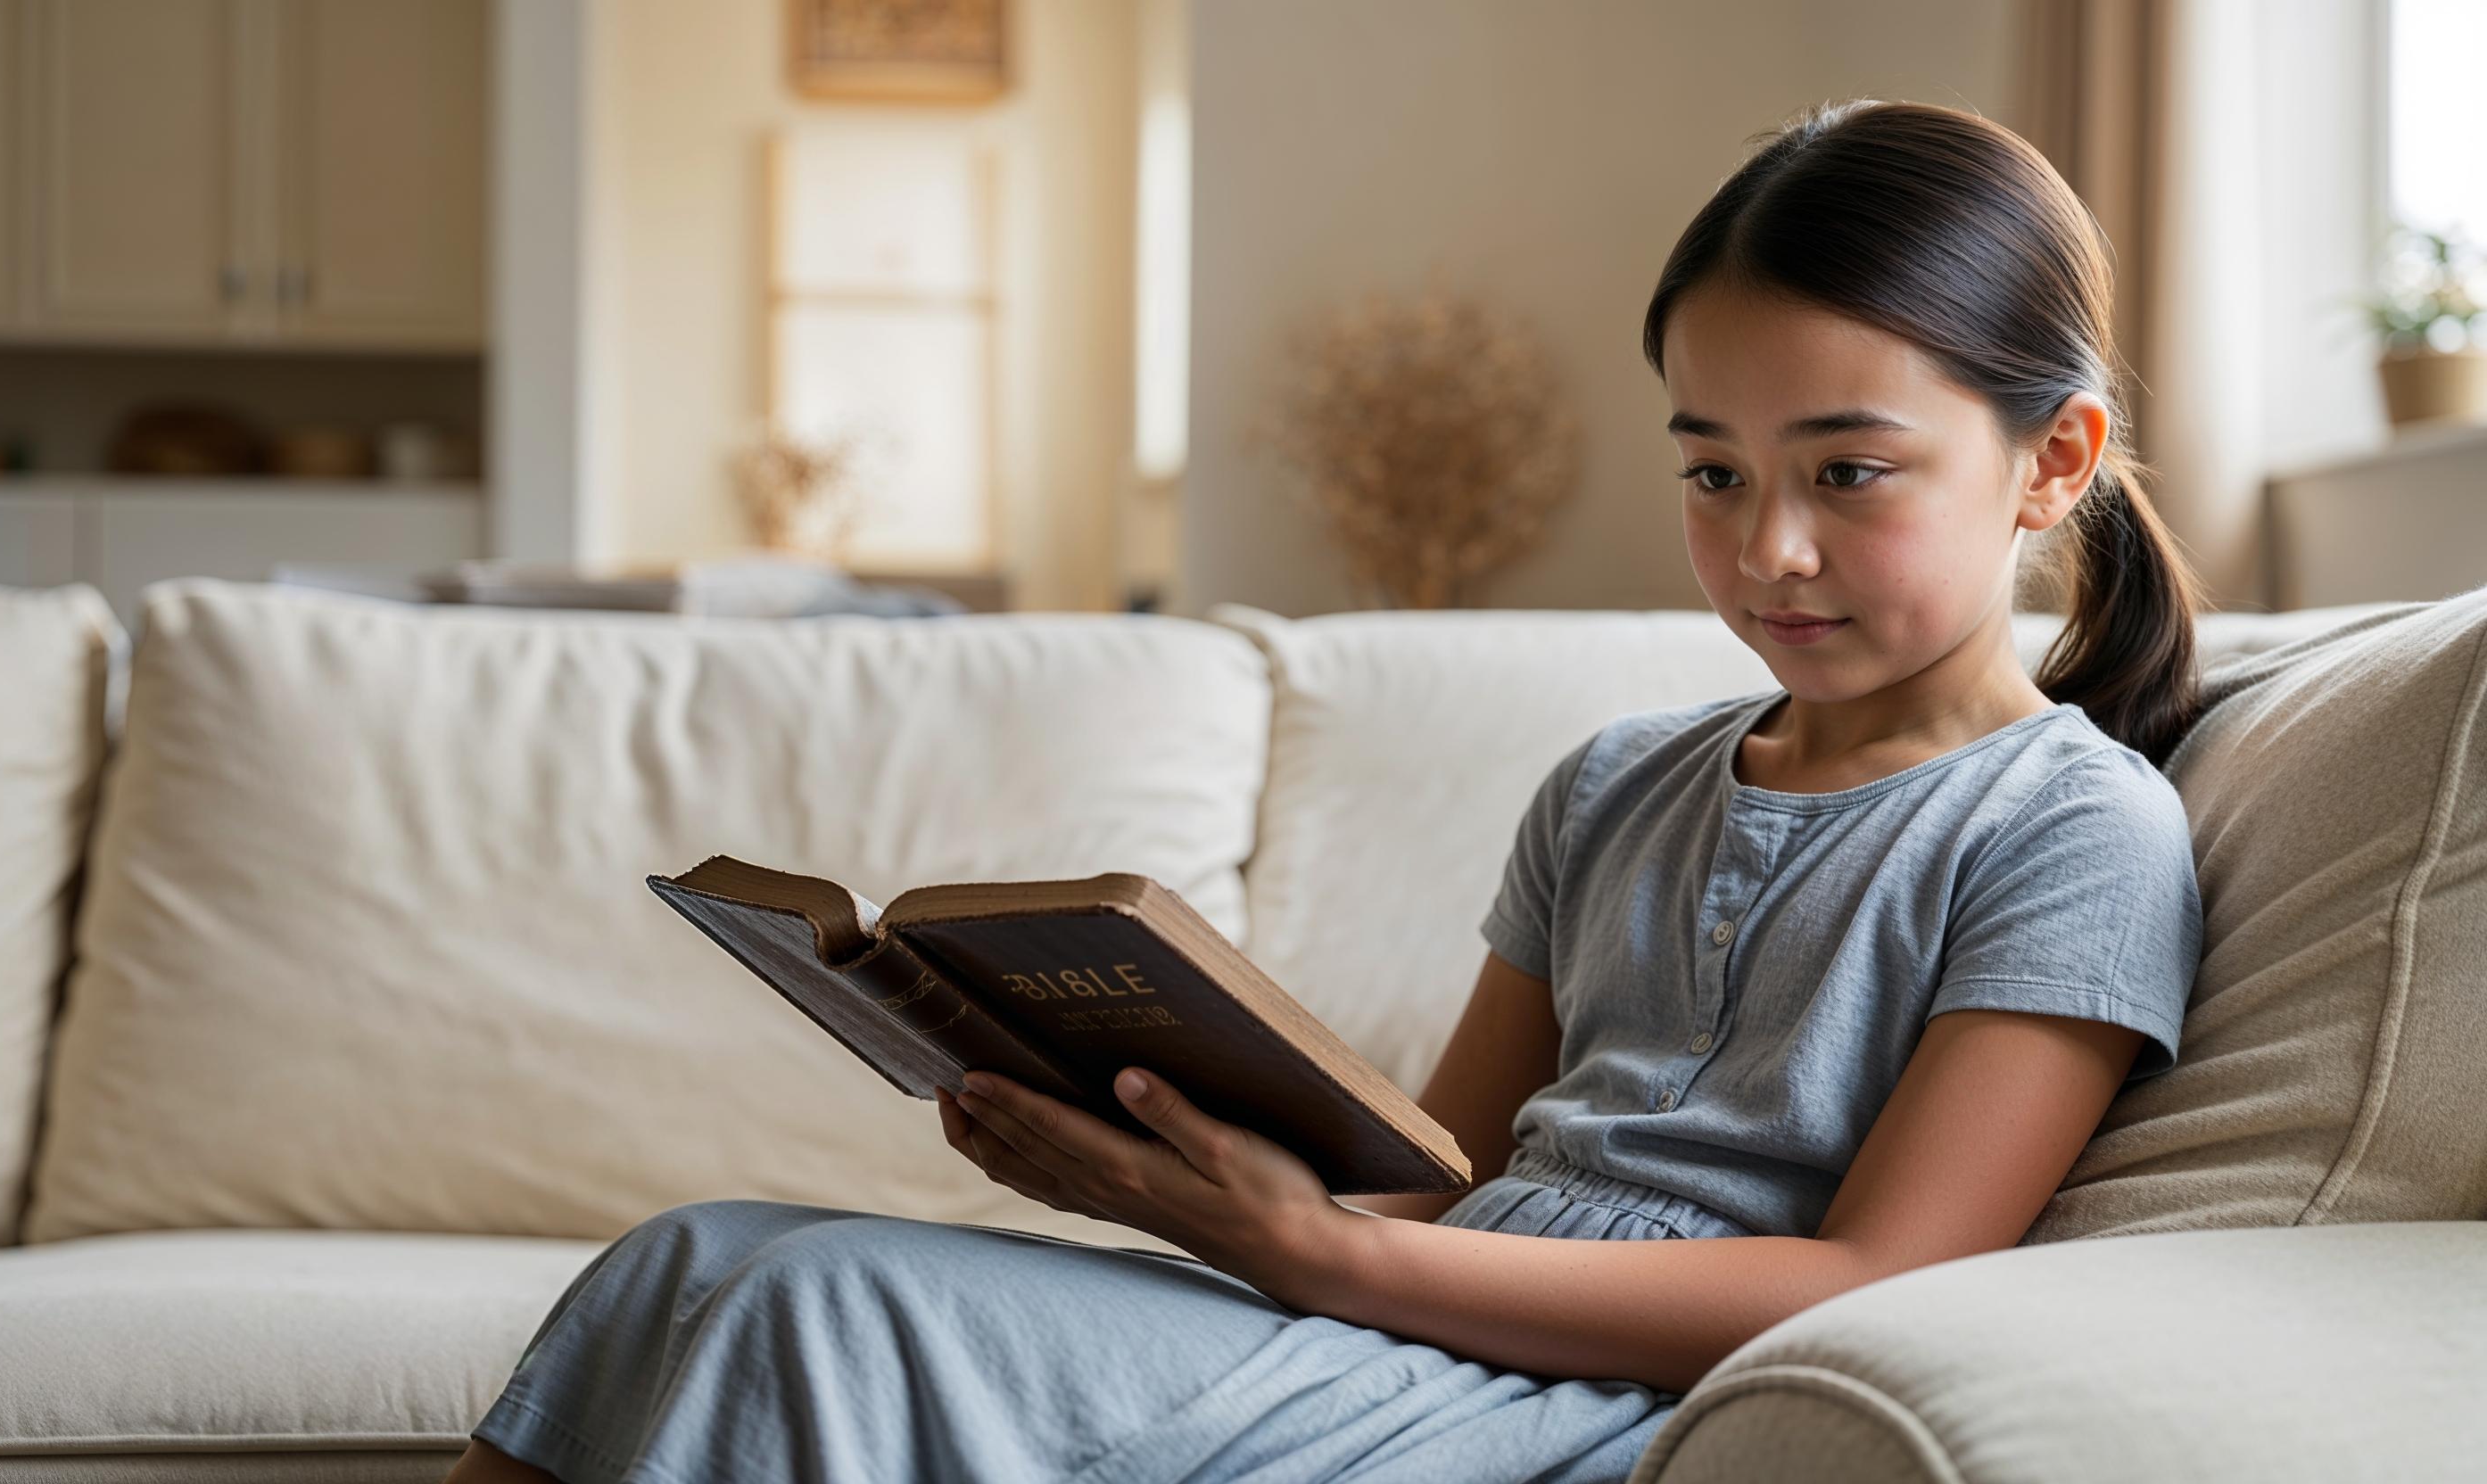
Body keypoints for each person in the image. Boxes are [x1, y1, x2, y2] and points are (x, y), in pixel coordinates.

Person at [442, 95, 2210, 1484]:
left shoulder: (2072, 831)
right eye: (1711, 469)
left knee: (806, 1308)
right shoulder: (1609, 785)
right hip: (1404, 1317)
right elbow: (1442, 1180)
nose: (1768, 546)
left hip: (1579, 1400)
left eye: (1847, 471)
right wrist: (1162, 1184)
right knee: (687, 1259)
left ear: (2045, 460)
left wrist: (1326, 1262)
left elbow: (1869, 1286)